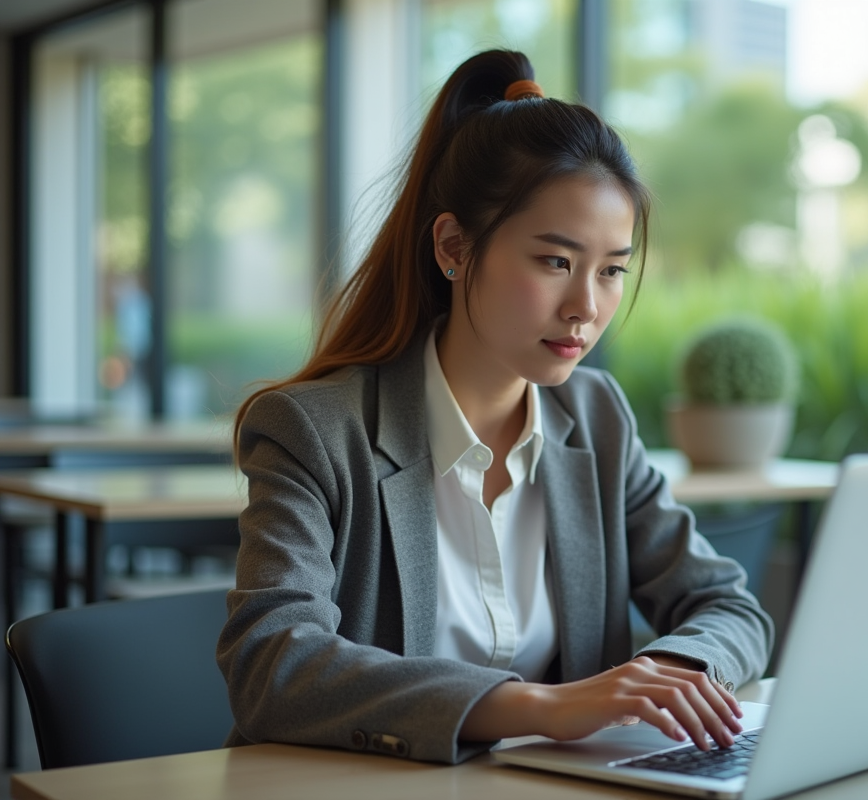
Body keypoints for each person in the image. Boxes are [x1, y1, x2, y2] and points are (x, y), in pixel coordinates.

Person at [217, 49, 774, 766]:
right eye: (554, 261)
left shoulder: (596, 417)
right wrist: (544, 706)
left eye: (610, 271)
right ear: (453, 246)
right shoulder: (316, 431)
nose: (586, 308)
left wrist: (672, 676)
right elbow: (272, 664)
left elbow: (729, 607)